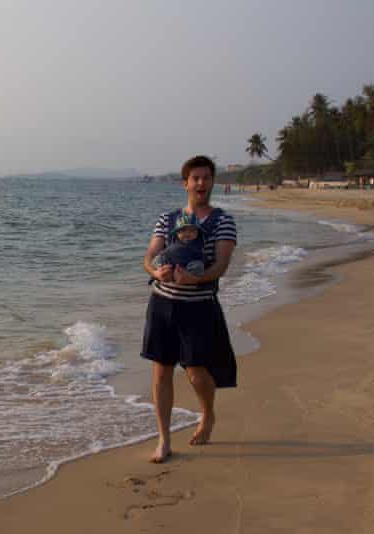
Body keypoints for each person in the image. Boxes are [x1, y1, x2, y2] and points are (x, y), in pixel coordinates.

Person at [141, 155, 237, 463]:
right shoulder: (167, 220)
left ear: (212, 182)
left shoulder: (222, 221)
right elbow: (150, 257)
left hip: (198, 308)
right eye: (195, 178)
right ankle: (164, 440)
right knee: (161, 371)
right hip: (162, 305)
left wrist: (196, 278)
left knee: (197, 373)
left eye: (206, 178)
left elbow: (221, 266)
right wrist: (156, 273)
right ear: (185, 183)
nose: (201, 183)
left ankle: (207, 414)